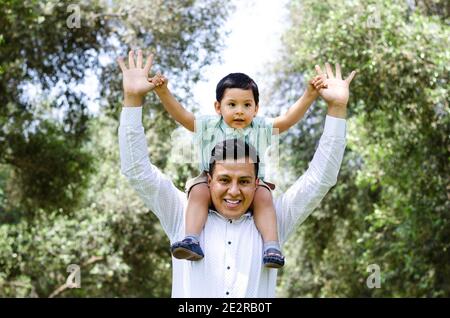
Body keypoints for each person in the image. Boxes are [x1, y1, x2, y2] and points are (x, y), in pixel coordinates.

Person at [117, 49, 355, 297]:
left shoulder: (273, 219)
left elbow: (320, 178)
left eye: (244, 181)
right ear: (209, 179)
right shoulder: (181, 213)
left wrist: (336, 108)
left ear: (256, 182)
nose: (233, 190)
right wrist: (132, 99)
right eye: (223, 180)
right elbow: (137, 170)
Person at [148, 69, 327, 269]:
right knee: (198, 191)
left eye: (247, 105)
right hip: (211, 184)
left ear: (256, 108)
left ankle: (271, 247)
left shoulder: (261, 128)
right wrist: (163, 92)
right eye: (232, 105)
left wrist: (310, 94)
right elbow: (182, 116)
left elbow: (287, 119)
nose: (239, 111)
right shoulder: (209, 126)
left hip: (251, 187)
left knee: (264, 197)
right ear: (218, 107)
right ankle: (191, 239)